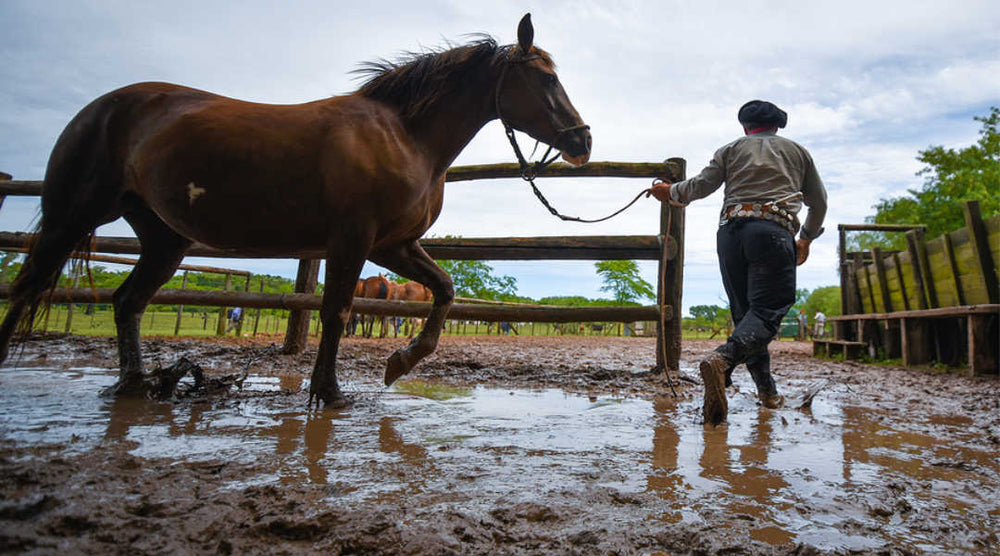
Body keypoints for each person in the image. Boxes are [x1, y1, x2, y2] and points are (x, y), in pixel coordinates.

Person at [650, 100, 827, 425]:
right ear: (777, 126)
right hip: (772, 231)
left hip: (730, 233)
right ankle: (723, 362)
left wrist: (670, 192)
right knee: (769, 310)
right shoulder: (797, 153)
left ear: (745, 126)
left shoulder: (730, 150)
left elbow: (701, 186)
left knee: (746, 316)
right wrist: (806, 237)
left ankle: (767, 392)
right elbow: (819, 202)